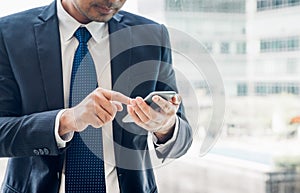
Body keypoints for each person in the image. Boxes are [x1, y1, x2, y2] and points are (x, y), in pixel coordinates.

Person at [0, 0, 192, 192]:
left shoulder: (151, 35)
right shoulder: (9, 34)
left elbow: (182, 140)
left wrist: (165, 127)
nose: (114, 1)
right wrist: (66, 121)